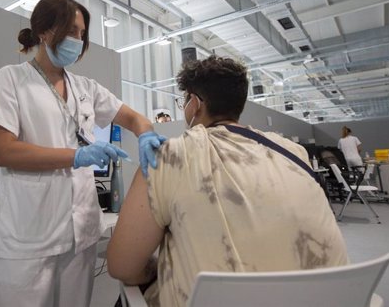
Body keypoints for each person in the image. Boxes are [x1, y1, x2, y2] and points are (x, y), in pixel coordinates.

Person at [107, 56, 348, 307]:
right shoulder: (294, 153)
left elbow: (122, 265)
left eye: (184, 101)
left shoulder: (168, 157)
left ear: (194, 104)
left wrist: (158, 269)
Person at [0, 0, 166, 307]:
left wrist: (146, 134)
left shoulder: (85, 88)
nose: (78, 40)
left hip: (80, 236)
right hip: (27, 238)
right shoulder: (11, 80)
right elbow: (4, 152)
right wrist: (76, 157)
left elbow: (134, 118)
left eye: (82, 34)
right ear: (44, 31)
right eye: (71, 32)